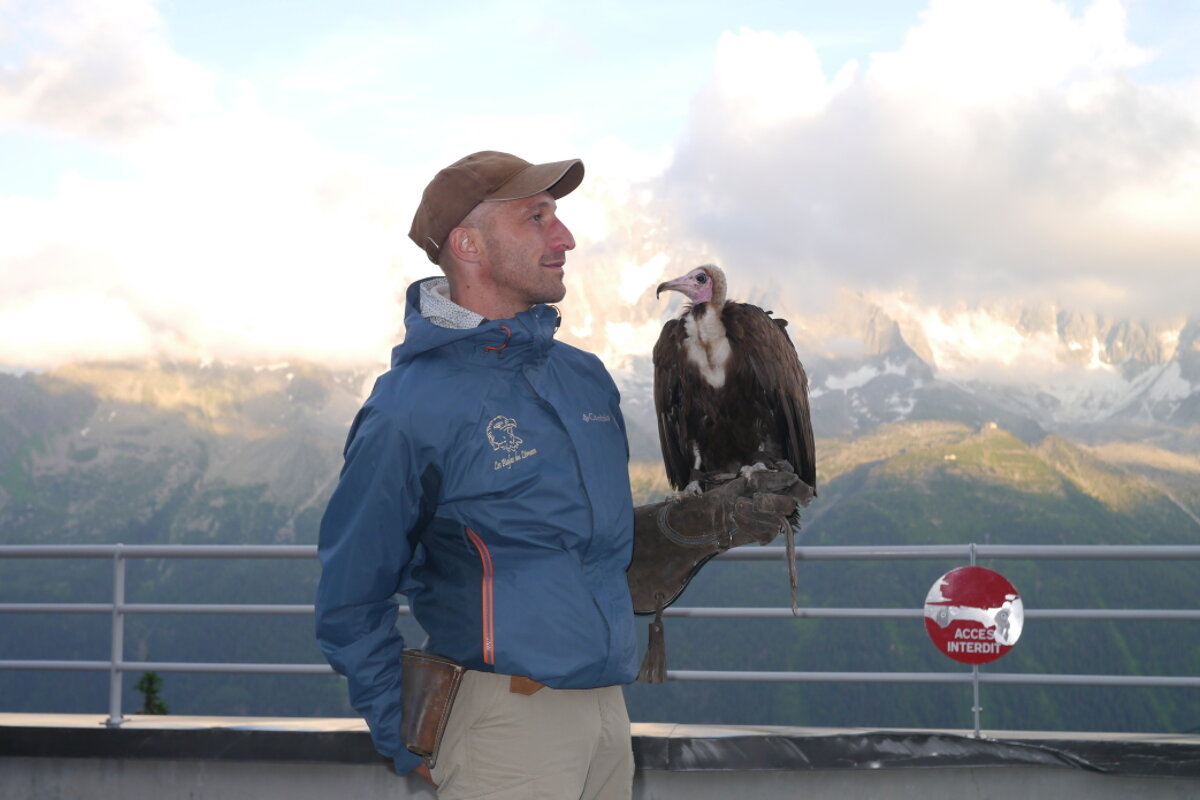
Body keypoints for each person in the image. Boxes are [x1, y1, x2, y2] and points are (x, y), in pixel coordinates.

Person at [315, 151, 808, 800]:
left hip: (607, 719)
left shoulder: (584, 379)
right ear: (468, 245)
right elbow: (350, 599)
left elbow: (578, 552)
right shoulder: (409, 408)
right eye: (538, 218)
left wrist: (680, 530)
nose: (565, 237)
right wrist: (410, 738)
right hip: (502, 725)